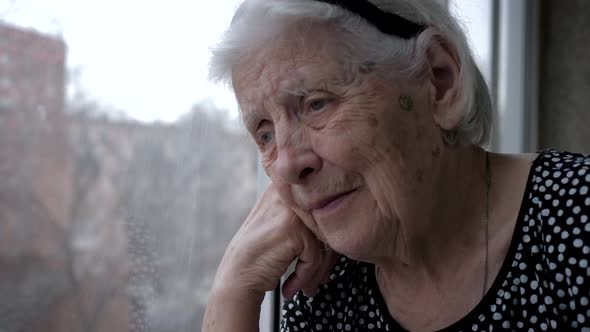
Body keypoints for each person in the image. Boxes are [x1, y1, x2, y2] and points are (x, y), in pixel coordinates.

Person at [203, 0, 590, 330]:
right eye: (265, 133)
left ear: (439, 82)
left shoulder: (576, 219)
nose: (286, 165)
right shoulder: (323, 293)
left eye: (316, 103)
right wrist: (233, 290)